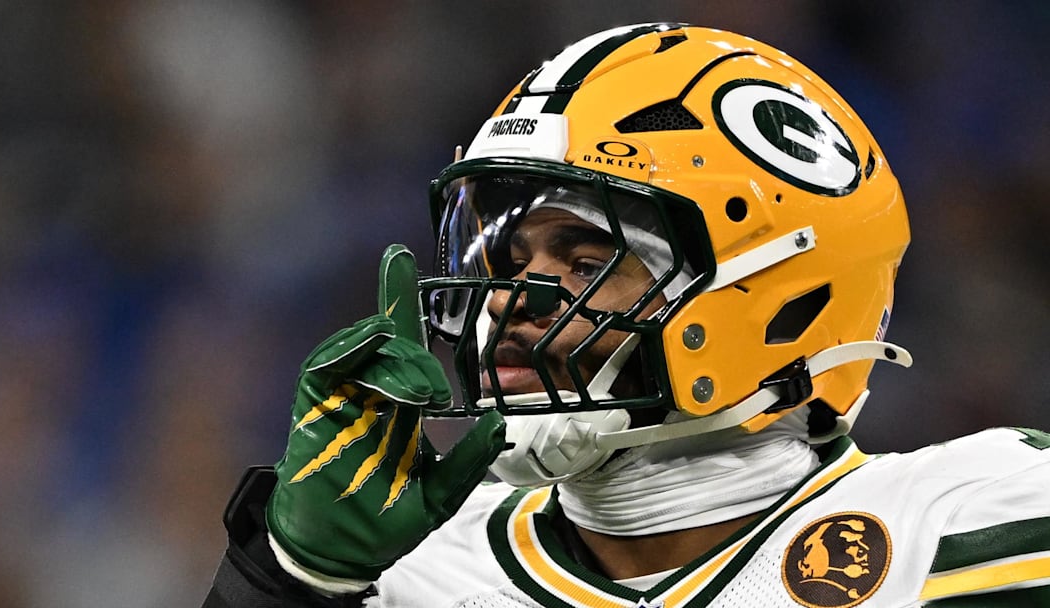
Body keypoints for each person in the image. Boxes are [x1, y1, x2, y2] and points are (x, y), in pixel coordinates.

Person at [202, 24, 1050, 608]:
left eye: (582, 259)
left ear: (778, 303)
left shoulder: (967, 522)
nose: (508, 302)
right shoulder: (413, 569)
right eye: (508, 257)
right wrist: (288, 582)